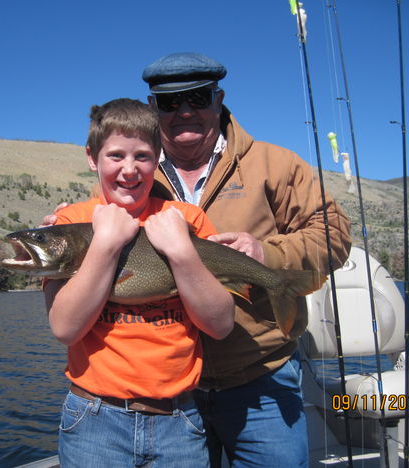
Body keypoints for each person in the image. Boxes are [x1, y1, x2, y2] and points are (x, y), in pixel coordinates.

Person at [139, 52, 352, 467]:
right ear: (152, 109)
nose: (184, 112)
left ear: (219, 98)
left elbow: (335, 234)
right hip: (168, 389)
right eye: (169, 103)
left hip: (261, 381)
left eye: (197, 98)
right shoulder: (134, 172)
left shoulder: (275, 164)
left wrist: (266, 253)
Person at [43, 98, 235, 467]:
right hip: (94, 418)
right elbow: (65, 328)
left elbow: (220, 325)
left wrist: (181, 250)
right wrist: (105, 242)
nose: (129, 170)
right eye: (115, 156)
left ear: (158, 158)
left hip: (179, 422)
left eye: (142, 157)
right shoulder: (69, 223)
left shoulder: (188, 219)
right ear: (91, 157)